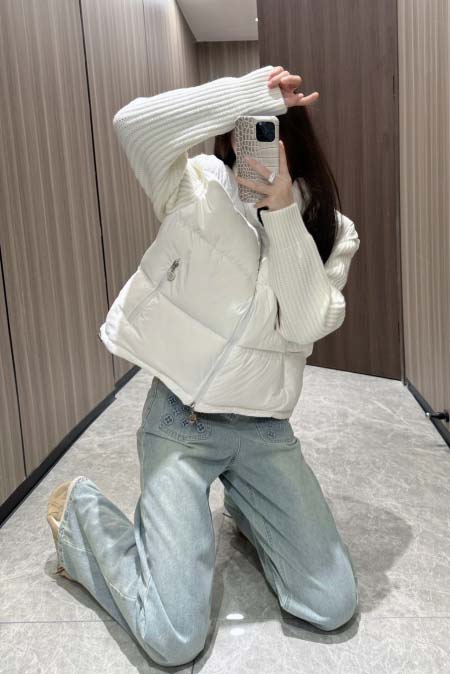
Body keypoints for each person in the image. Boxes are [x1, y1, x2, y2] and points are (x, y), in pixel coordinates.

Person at [46, 65, 361, 667]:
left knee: (330, 602)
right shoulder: (197, 185)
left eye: (266, 129)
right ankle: (81, 515)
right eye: (244, 130)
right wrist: (247, 92)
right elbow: (133, 125)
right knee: (173, 637)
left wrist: (282, 212)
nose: (253, 144)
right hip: (181, 422)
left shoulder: (333, 231)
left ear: (293, 140)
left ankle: (247, 504)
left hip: (265, 432)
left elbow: (303, 325)